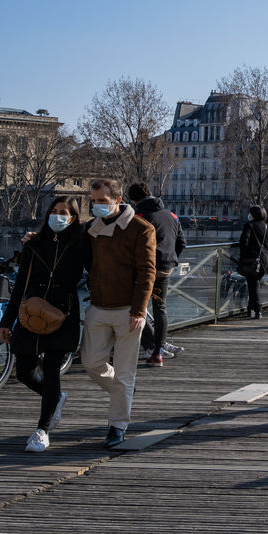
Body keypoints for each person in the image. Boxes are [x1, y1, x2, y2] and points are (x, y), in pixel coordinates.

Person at [0, 196, 92, 452]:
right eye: (54, 211)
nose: (58, 216)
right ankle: (55, 398)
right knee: (23, 371)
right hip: (31, 311)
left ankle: (42, 430)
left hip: (63, 312)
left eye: (64, 212)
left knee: (52, 372)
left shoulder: (81, 244)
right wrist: (7, 322)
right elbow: (20, 285)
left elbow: (98, 269)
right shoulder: (33, 244)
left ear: (73, 218)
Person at [83, 178, 157, 449]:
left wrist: (139, 310)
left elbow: (147, 271)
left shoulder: (141, 228)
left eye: (102, 201)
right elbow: (65, 244)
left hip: (128, 310)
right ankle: (123, 391)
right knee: (91, 363)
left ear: (117, 199)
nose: (97, 206)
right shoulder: (91, 228)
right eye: (93, 201)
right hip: (98, 306)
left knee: (125, 372)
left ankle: (117, 426)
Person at [126, 183, 185, 366]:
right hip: (165, 268)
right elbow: (181, 242)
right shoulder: (172, 215)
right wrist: (170, 259)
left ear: (133, 200)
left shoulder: (139, 217)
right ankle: (159, 350)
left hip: (144, 269)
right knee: (160, 307)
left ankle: (149, 345)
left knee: (135, 306)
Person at [236, 205, 268, 320]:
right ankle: (250, 309)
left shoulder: (249, 225)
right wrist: (265, 252)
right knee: (253, 285)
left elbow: (244, 242)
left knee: (253, 286)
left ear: (252, 215)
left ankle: (258, 309)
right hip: (264, 262)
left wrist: (244, 256)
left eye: (250, 213)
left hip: (252, 261)